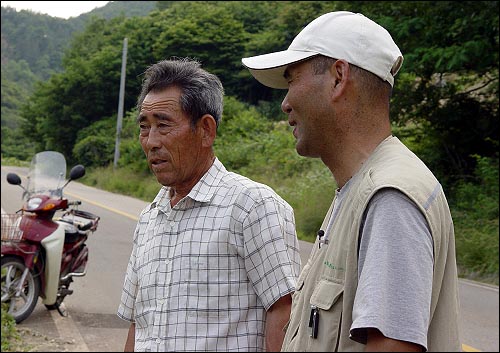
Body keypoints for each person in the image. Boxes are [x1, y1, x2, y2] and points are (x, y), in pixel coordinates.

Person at [242, 11, 460, 352]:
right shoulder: (357, 191)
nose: (285, 103)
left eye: (292, 80)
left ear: (338, 77)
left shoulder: (389, 197)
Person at [117, 58, 301, 352]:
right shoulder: (149, 218)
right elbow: (139, 324)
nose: (151, 141)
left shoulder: (251, 206)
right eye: (144, 127)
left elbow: (285, 312)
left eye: (163, 125)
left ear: (205, 130)